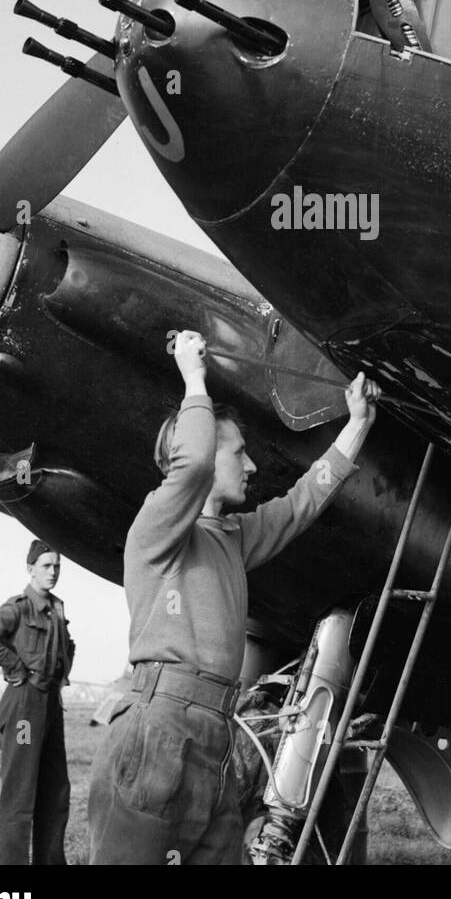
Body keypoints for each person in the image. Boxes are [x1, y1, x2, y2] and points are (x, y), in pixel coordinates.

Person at [87, 329, 380, 865]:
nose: (250, 467)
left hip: (217, 735)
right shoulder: (157, 530)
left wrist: (357, 424)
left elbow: (302, 502)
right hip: (160, 725)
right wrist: (193, 378)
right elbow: (194, 466)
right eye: (238, 453)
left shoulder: (233, 538)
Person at [0, 540, 74, 865]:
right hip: (25, 706)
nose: (52, 572)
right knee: (20, 793)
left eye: (56, 565)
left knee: (57, 791)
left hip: (50, 703)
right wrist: (15, 667)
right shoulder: (18, 607)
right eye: (45, 565)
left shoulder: (57, 608)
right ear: (30, 569)